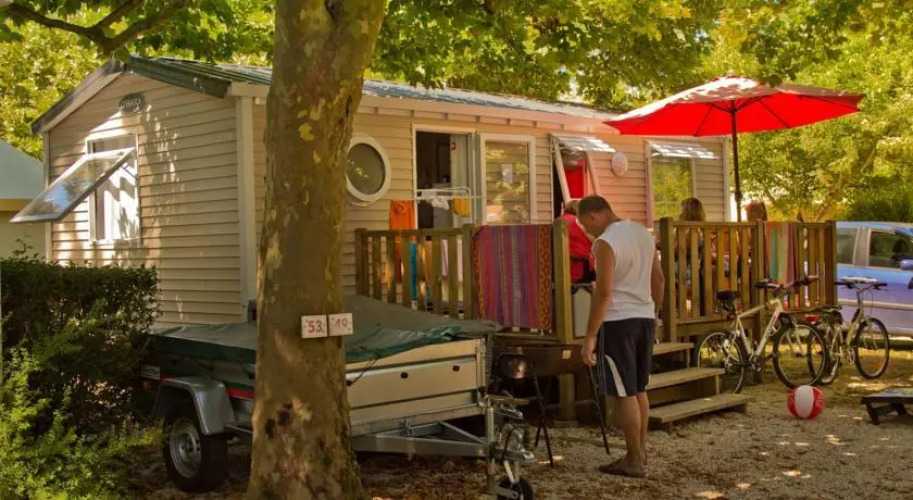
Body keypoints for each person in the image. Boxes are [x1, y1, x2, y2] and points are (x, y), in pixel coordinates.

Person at [576, 195, 665, 478]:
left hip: (618, 321)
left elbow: (603, 293)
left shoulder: (606, 242)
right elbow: (659, 279)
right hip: (645, 317)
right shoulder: (643, 234)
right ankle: (640, 450)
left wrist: (590, 336)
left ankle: (633, 458)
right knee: (639, 389)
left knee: (624, 392)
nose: (587, 231)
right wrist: (655, 312)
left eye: (585, 224)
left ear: (594, 215)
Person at [559, 199, 595, 282]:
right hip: (580, 268)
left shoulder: (558, 221)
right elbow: (596, 241)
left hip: (560, 268)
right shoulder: (579, 222)